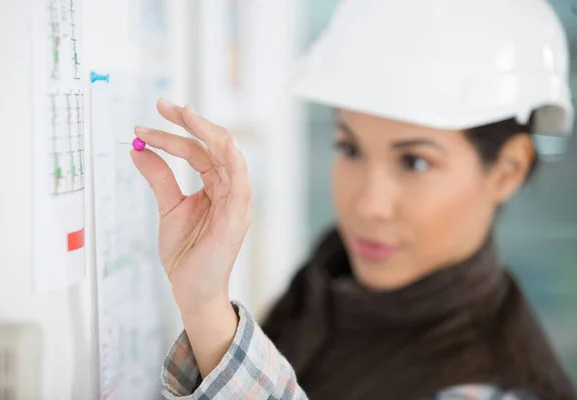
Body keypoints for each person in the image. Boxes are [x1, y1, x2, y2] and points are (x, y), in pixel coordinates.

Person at [130, 0, 577, 399]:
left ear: (507, 170)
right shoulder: (332, 277)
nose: (367, 205)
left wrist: (209, 311)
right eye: (350, 148)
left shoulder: (494, 387)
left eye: (415, 162)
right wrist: (206, 303)